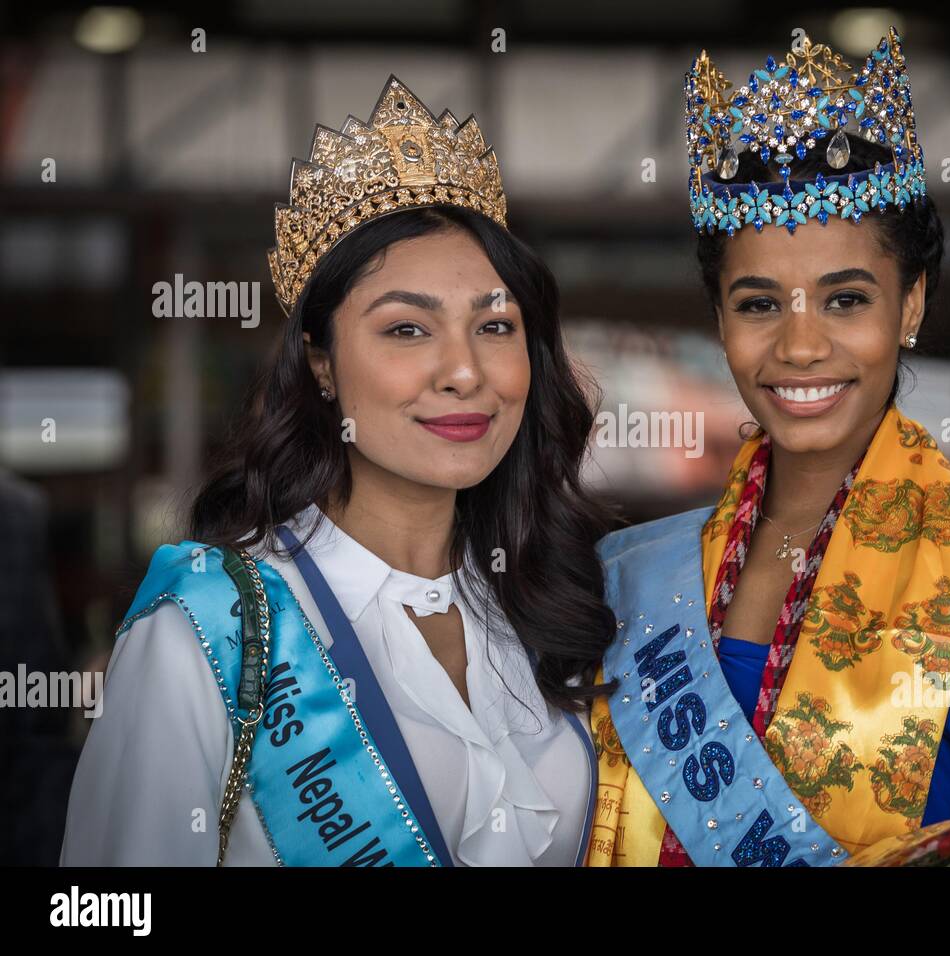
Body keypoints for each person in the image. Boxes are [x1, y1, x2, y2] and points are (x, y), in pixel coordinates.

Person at [60, 77, 612, 867]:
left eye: (495, 325)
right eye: (407, 328)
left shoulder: (556, 601)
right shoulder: (212, 629)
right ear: (321, 363)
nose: (463, 372)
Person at [585, 29, 950, 867]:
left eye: (846, 300)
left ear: (910, 307)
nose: (798, 347)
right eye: (758, 305)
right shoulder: (641, 573)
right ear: (719, 321)